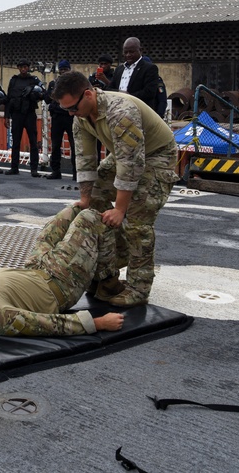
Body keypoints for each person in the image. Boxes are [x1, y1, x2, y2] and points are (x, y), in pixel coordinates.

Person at [52, 71, 179, 307]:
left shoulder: (120, 111)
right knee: (95, 200)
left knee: (138, 223)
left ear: (88, 94)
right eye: (66, 109)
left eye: (72, 108)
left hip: (157, 155)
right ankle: (107, 274)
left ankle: (139, 288)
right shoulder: (80, 116)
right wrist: (85, 199)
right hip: (125, 155)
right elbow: (85, 159)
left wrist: (120, 209)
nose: (71, 113)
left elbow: (131, 164)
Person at [0, 205, 125, 336]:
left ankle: (101, 268)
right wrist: (97, 324)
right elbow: (48, 325)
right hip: (61, 282)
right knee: (88, 218)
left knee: (74, 210)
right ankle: (107, 279)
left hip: (36, 266)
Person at [5, 58, 44, 177]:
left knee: (33, 142)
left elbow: (43, 93)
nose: (23, 69)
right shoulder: (13, 81)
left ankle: (34, 169)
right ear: (18, 68)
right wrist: (7, 116)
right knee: (15, 142)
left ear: (28, 68)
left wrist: (33, 89)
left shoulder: (34, 80)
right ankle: (14, 167)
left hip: (29, 114)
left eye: (25, 67)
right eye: (21, 67)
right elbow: (8, 99)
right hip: (16, 114)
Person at [105, 38, 159, 110]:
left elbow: (149, 92)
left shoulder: (149, 68)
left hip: (140, 110)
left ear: (140, 50)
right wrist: (119, 93)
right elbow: (109, 88)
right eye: (125, 52)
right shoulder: (119, 69)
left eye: (131, 52)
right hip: (119, 111)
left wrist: (128, 96)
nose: (128, 55)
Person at [45, 60, 77, 181]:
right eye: (61, 69)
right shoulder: (54, 83)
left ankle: (76, 172)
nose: (63, 72)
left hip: (70, 116)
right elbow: (47, 98)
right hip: (57, 117)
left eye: (65, 69)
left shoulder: (74, 84)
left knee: (74, 145)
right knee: (55, 145)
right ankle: (56, 171)